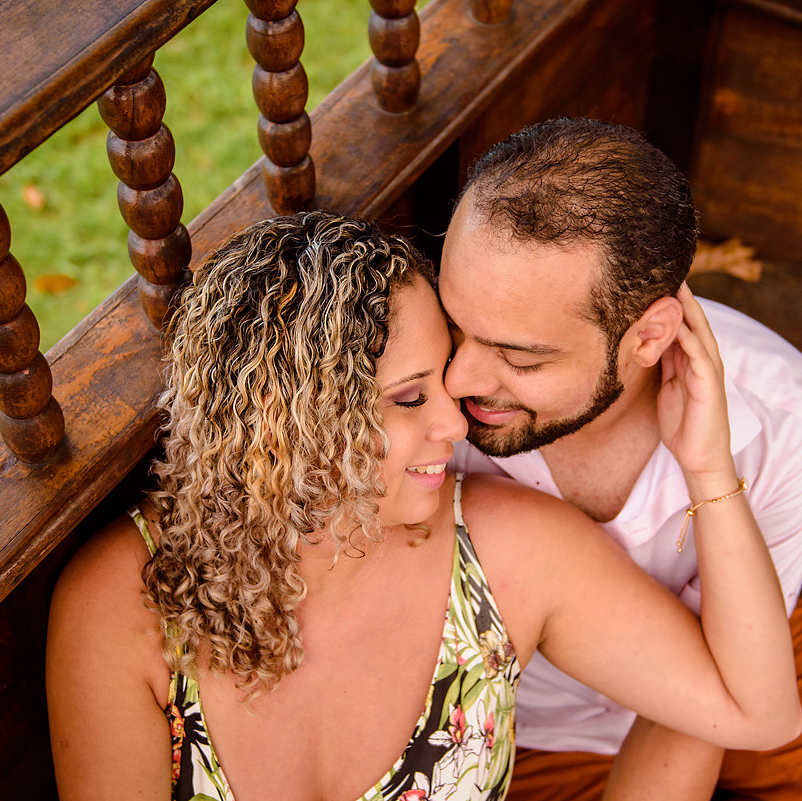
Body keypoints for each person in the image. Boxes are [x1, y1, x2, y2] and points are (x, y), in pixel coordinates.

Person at [46, 211, 799, 801]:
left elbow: (756, 710)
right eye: (411, 396)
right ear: (290, 419)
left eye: (442, 380)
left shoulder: (511, 551)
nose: (456, 420)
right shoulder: (123, 604)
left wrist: (706, 467)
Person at [439, 117, 802, 801]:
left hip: (755, 669)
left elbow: (734, 696)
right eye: (456, 324)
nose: (457, 380)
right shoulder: (426, 413)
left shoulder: (781, 421)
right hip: (526, 731)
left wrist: (710, 472)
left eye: (519, 356)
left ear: (649, 335)